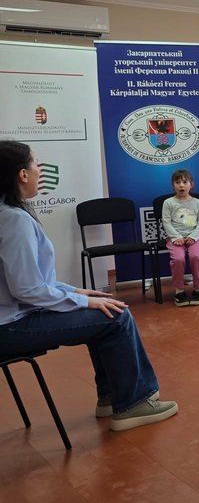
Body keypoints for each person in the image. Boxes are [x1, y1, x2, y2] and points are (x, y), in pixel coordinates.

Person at [0, 140, 178, 431]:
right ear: (23, 174)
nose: (38, 170)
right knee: (116, 315)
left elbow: (27, 280)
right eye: (35, 164)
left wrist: (75, 291)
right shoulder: (14, 219)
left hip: (11, 318)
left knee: (102, 312)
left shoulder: (7, 213)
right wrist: (84, 302)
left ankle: (112, 397)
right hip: (11, 327)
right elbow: (27, 290)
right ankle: (133, 403)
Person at [161, 168, 199, 307]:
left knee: (195, 257)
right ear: (172, 185)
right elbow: (166, 222)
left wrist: (193, 236)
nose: (181, 185)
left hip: (194, 237)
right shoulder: (168, 203)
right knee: (178, 259)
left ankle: (198, 288)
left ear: (191, 184)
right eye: (177, 182)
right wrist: (176, 237)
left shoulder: (198, 203)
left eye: (185, 182)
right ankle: (179, 290)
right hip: (175, 238)